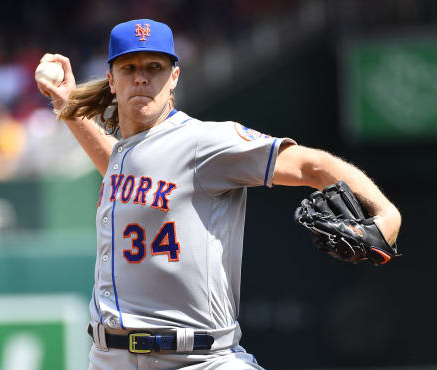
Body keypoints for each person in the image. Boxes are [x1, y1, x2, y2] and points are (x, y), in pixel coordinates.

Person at [37, 19, 401, 370]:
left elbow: (312, 165)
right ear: (111, 80)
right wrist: (67, 102)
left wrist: (387, 215)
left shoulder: (203, 142)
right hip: (108, 358)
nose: (142, 77)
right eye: (129, 67)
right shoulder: (126, 154)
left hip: (196, 358)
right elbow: (129, 173)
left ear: (174, 76)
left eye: (155, 66)